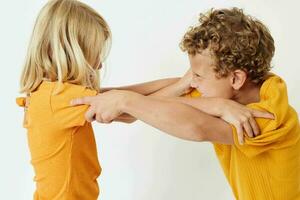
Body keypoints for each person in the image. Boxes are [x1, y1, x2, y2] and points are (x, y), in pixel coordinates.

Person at [72, 8, 300, 199]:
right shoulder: (225, 94)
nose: (193, 82)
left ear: (236, 78)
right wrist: (97, 96)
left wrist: (125, 101)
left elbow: (197, 127)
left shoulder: (267, 118)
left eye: (198, 76)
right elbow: (137, 109)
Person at [16, 0, 112, 199]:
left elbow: (122, 98)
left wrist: (182, 84)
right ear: (71, 52)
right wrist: (182, 86)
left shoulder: (48, 93)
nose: (100, 65)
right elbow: (127, 106)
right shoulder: (61, 97)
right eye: (93, 55)